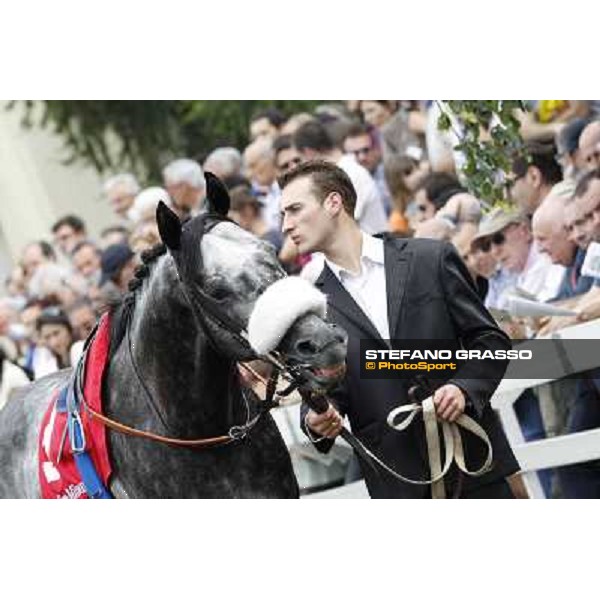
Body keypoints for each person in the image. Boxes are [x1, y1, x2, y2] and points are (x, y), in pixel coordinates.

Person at [279, 160, 520, 498]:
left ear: (333, 203)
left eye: (294, 210)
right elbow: (326, 388)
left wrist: (464, 388)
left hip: (472, 464)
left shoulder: (430, 258)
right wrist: (315, 419)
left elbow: (490, 341)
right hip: (398, 483)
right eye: (281, 215)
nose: (286, 225)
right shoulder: (310, 306)